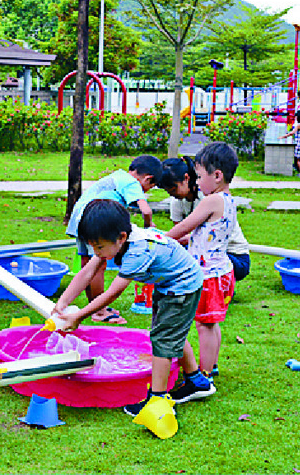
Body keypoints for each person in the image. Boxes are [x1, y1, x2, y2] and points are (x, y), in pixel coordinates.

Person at [52, 199, 209, 415]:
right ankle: (197, 382)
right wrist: (62, 303)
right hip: (169, 284)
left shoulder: (137, 251)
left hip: (182, 287)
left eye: (99, 247)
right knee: (168, 333)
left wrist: (79, 316)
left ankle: (157, 401)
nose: (96, 252)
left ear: (121, 238)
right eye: (92, 246)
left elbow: (113, 293)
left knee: (163, 341)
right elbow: (86, 273)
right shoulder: (114, 238)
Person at [163, 142, 239, 402]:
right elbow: (203, 235)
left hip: (209, 274)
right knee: (210, 322)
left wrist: (161, 241)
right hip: (221, 271)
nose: (197, 181)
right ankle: (211, 367)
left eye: (199, 176)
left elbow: (185, 226)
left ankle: (202, 376)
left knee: (204, 324)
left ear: (216, 176)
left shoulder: (212, 200)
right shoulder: (227, 200)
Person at [65, 155, 164, 325]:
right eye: (150, 187)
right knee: (99, 263)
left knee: (87, 262)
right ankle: (100, 310)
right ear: (148, 178)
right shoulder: (132, 182)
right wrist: (149, 225)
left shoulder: (118, 176)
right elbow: (146, 210)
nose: (146, 191)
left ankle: (94, 306)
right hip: (95, 220)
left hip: (80, 217)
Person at [158, 156, 250, 290]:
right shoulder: (176, 202)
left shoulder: (209, 199)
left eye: (173, 189)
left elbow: (185, 231)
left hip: (231, 256)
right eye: (167, 191)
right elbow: (180, 236)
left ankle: (216, 287)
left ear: (186, 178)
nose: (171, 194)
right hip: (205, 251)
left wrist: (159, 241)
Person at [280, 110, 300, 178]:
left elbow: (292, 133)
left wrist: (283, 136)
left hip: (299, 144)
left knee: (297, 159)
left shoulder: (298, 125)